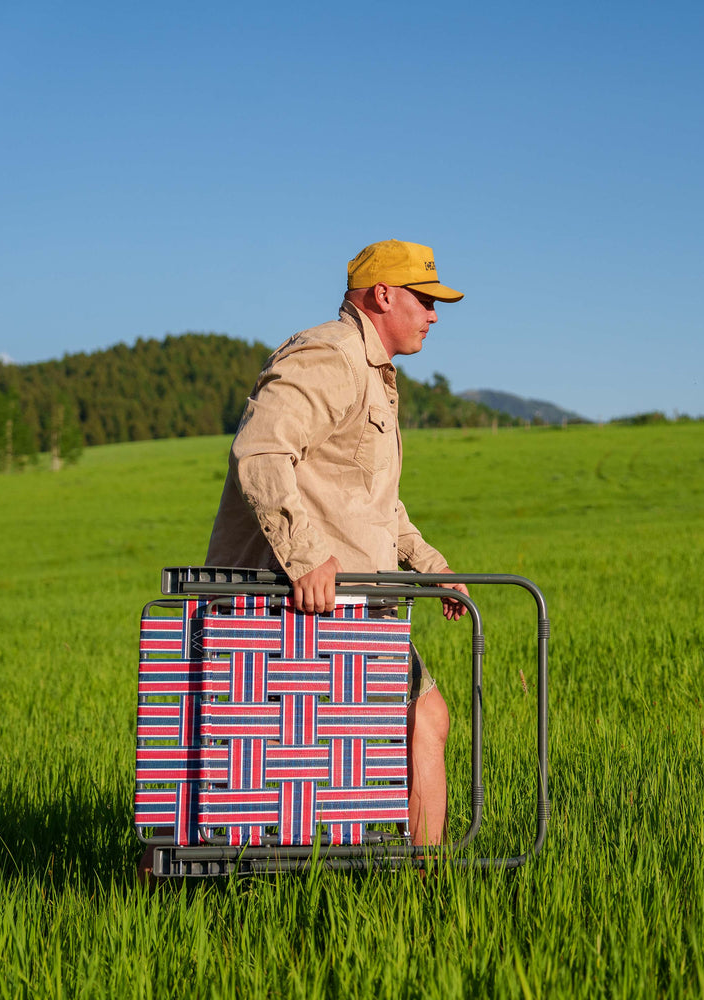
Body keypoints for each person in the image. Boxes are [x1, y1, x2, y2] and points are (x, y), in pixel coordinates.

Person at [205, 238, 470, 847]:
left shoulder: (373, 372)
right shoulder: (330, 356)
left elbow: (373, 502)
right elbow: (261, 450)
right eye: (426, 299)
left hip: (345, 607)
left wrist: (432, 569)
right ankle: (421, 888)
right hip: (290, 608)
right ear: (383, 295)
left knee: (422, 718)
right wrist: (305, 559)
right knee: (234, 761)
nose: (435, 315)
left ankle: (417, 880)